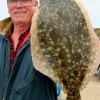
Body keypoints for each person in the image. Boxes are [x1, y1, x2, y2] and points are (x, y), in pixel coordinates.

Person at [0, 0, 57, 100]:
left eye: (24, 0)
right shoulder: (1, 39)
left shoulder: (50, 37)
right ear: (8, 6)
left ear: (36, 3)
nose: (18, 5)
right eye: (13, 1)